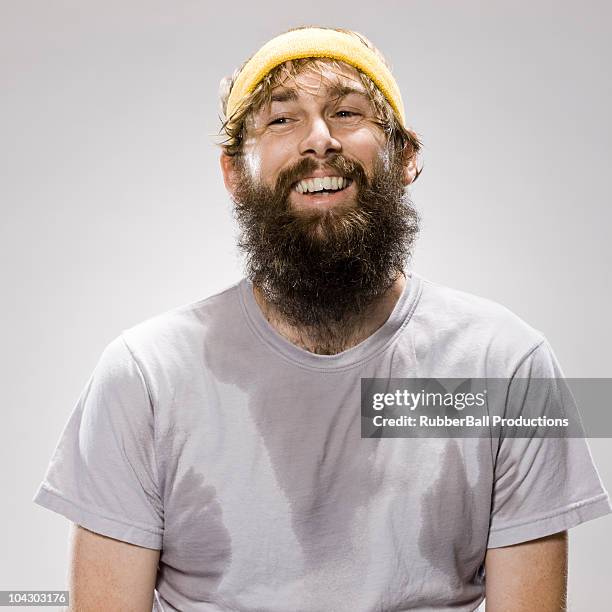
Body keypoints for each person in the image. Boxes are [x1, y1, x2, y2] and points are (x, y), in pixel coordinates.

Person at [33, 26, 611, 612]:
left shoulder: (509, 368)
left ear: (405, 158)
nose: (319, 139)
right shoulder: (143, 377)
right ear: (234, 173)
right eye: (281, 120)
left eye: (347, 112)